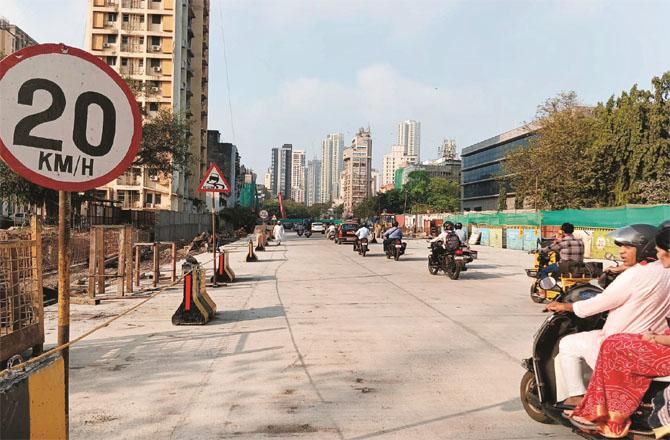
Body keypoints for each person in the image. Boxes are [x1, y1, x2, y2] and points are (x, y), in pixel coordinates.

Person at [546, 224, 670, 408]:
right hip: (652, 341)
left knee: (568, 344)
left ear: (646, 248)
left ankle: (576, 396)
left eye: (628, 247)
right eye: (621, 246)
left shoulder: (636, 275)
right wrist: (621, 270)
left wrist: (565, 306)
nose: (622, 252)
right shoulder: (663, 269)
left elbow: (598, 304)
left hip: (621, 345)